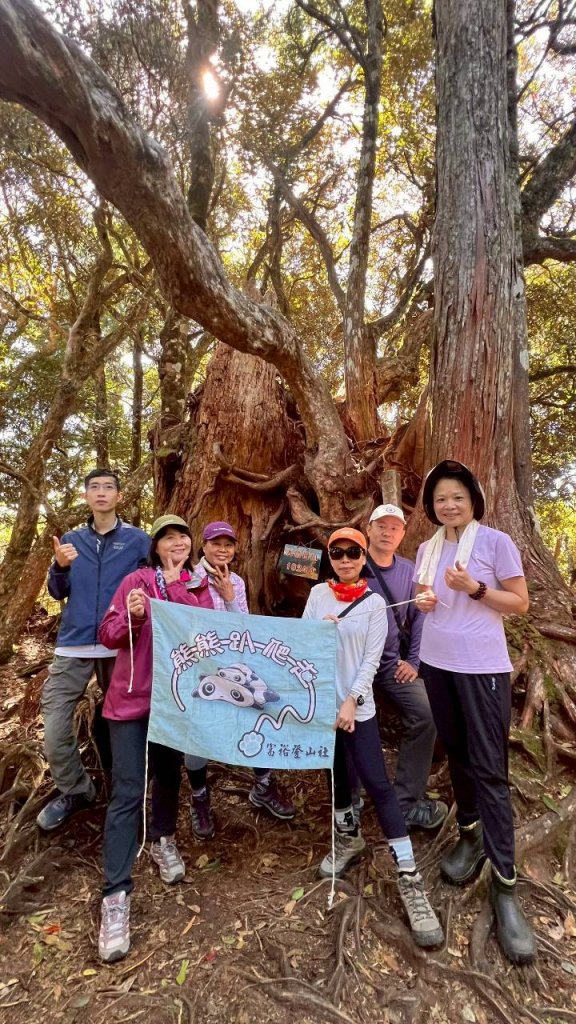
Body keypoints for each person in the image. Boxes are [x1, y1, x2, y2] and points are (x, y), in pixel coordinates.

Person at [414, 459, 536, 964]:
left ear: (473, 501)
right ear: (432, 505)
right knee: (459, 759)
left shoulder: (494, 542)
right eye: (441, 498)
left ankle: (506, 889)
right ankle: (470, 837)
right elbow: (427, 598)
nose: (449, 505)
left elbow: (521, 603)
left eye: (457, 497)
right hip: (436, 665)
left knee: (490, 771)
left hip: (482, 669)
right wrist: (424, 599)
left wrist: (477, 590)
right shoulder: (426, 548)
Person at [302, 527, 444, 949]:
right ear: (329, 556)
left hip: (356, 707)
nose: (345, 559)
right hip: (323, 705)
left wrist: (352, 701)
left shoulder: (375, 602)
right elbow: (303, 647)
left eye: (353, 552)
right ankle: (349, 837)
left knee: (377, 783)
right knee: (336, 778)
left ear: (364, 556)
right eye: (337, 552)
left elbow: (370, 660)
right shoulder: (317, 596)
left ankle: (408, 875)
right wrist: (319, 633)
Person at [97, 515, 213, 963]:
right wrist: (133, 614)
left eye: (183, 536)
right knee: (128, 790)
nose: (178, 542)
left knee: (169, 776)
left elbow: (204, 633)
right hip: (130, 701)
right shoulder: (135, 581)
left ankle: (163, 839)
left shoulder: (197, 586)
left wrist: (179, 586)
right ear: (156, 544)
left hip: (174, 702)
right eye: (168, 536)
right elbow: (108, 635)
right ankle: (115, 896)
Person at [37, 469, 150, 831]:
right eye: (94, 488)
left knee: (124, 720)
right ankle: (77, 790)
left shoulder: (137, 540)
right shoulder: (71, 539)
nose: (101, 493)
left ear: (119, 496)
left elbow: (152, 582)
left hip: (119, 642)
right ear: (86, 496)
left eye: (108, 488)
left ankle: (127, 789)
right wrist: (59, 566)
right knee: (54, 724)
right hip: (74, 642)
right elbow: (57, 592)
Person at [184, 521, 295, 838]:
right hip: (199, 667)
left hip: (233, 666)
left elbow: (243, 629)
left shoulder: (237, 581)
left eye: (228, 544)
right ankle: (200, 800)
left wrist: (231, 597)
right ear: (203, 545)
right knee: (197, 735)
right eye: (215, 543)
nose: (222, 549)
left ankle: (262, 785)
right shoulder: (189, 579)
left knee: (255, 717)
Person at [366, 503, 447, 830]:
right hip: (353, 666)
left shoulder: (410, 571)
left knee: (427, 714)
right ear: (368, 529)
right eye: (381, 526)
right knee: (348, 721)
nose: (387, 533)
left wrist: (412, 663)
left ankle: (406, 802)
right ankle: (350, 795)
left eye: (394, 528)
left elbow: (419, 618)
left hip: (389, 664)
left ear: (402, 534)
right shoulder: (351, 561)